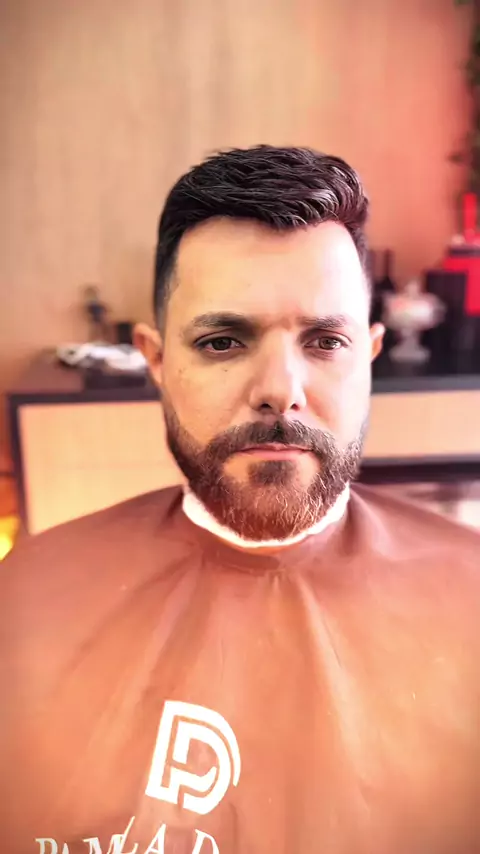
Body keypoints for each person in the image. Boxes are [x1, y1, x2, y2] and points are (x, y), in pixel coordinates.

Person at [1, 145, 480, 854]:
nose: (280, 390)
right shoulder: (25, 604)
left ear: (370, 356)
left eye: (326, 341)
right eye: (224, 342)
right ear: (157, 361)